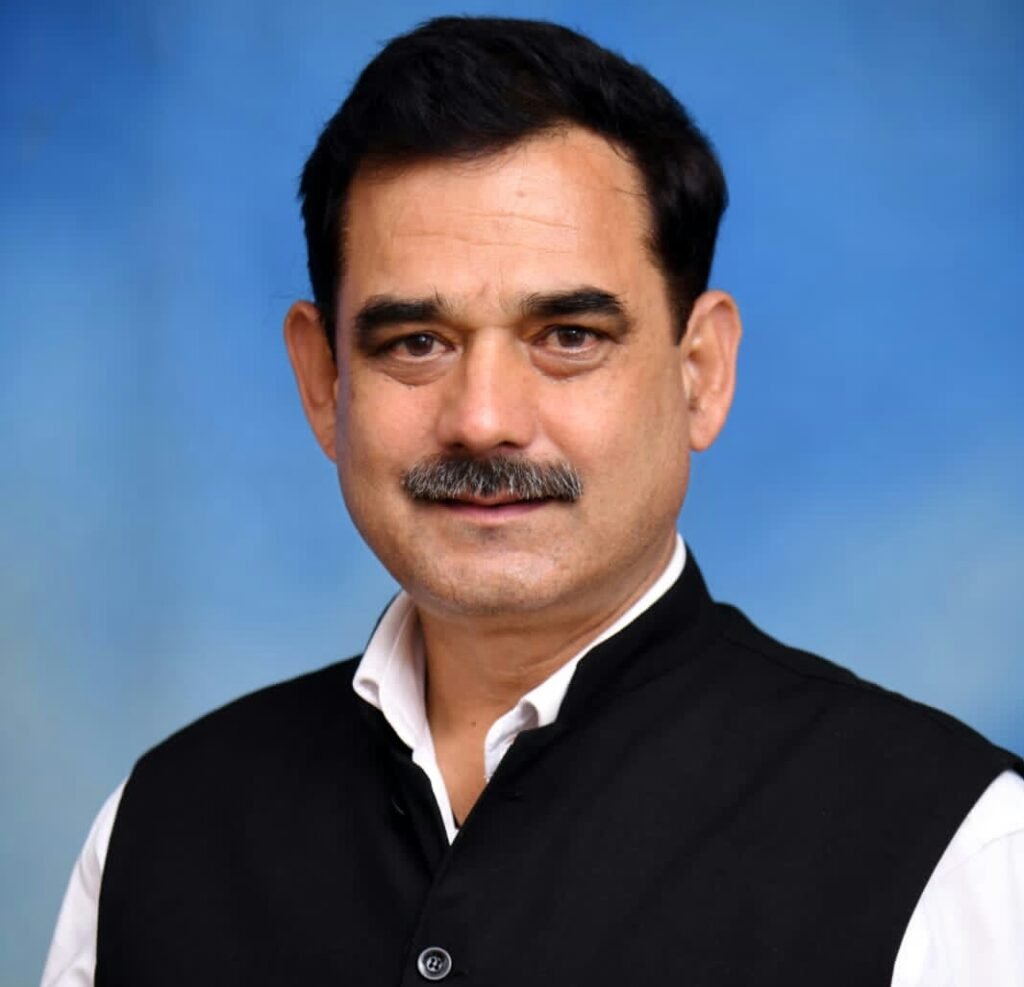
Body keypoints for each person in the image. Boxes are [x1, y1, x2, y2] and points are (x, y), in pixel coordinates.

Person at [42, 16, 1023, 987]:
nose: (483, 421)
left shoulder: (956, 853)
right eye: (416, 343)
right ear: (322, 381)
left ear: (700, 373)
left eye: (568, 336)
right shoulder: (157, 832)